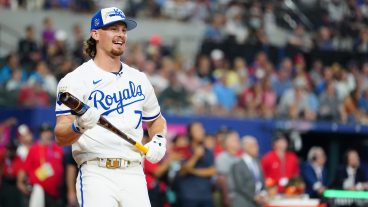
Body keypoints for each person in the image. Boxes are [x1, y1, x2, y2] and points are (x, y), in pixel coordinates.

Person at [54, 7, 167, 207]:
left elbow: (156, 120)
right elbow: (61, 135)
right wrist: (78, 126)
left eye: (123, 30)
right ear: (95, 34)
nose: (121, 35)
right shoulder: (74, 80)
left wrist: (158, 139)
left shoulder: (139, 79)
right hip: (96, 172)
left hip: (134, 171)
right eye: (113, 29)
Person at [230, 136, 266, 207]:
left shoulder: (257, 161)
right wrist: (254, 197)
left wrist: (263, 194)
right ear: (245, 148)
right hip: (243, 202)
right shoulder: (237, 164)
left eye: (256, 145)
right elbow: (240, 186)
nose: (257, 147)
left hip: (258, 202)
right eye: (253, 145)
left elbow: (261, 180)